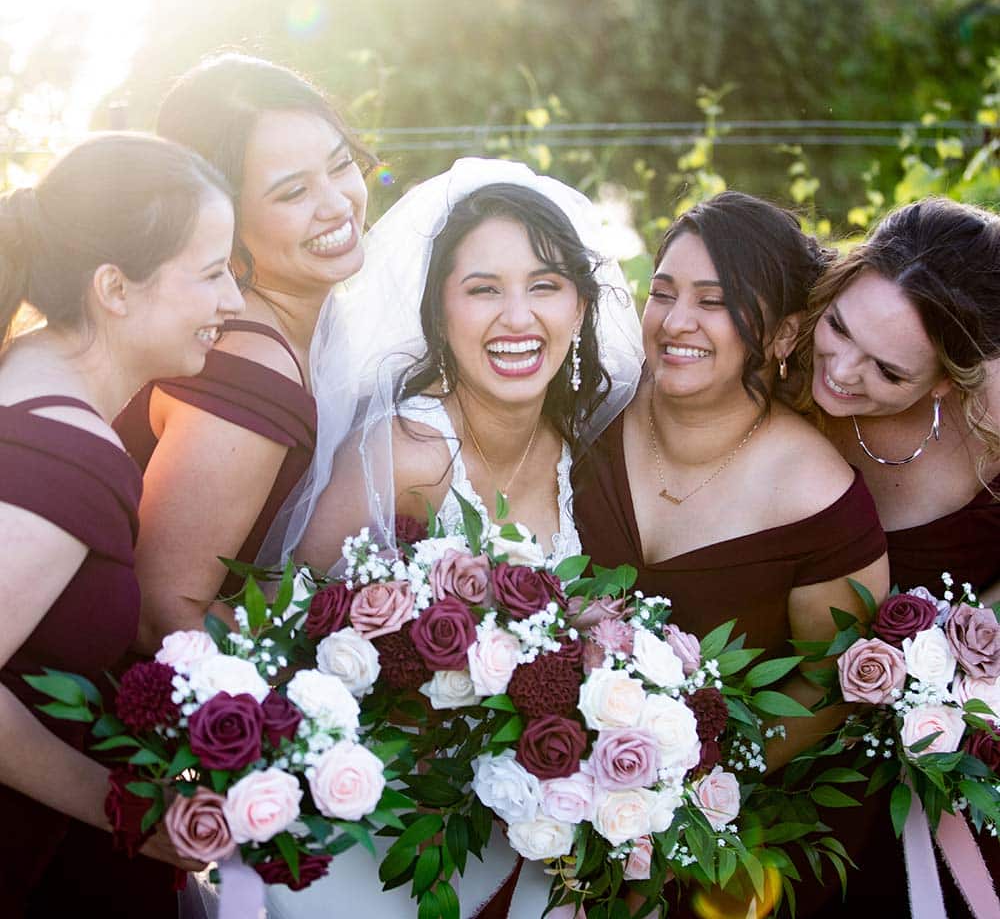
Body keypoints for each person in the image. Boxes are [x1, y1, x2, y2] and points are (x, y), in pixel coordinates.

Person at [267, 157, 644, 919]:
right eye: (483, 290)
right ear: (438, 312)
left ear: (579, 307)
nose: (517, 317)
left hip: (537, 831)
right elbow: (282, 624)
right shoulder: (404, 452)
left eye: (545, 285)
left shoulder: (593, 459)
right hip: (384, 835)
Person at [571, 191, 891, 915]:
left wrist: (680, 789)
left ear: (781, 335)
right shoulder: (591, 411)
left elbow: (828, 690)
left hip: (710, 850)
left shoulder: (821, 505)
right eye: (663, 292)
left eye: (714, 302)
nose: (676, 321)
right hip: (543, 798)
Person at [0, 133, 243, 916]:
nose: (231, 303)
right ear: (114, 286)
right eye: (211, 275)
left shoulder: (25, 379)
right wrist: (125, 808)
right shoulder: (67, 454)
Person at [114, 54, 373, 652]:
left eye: (341, 165)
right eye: (292, 193)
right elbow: (161, 613)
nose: (336, 204)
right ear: (222, 221)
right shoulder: (249, 372)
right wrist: (337, 664)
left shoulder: (317, 322)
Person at [796, 196, 1000, 917]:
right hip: (783, 747)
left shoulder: (991, 428)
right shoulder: (781, 368)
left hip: (939, 780)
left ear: (947, 380)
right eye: (839, 327)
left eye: (887, 371)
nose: (843, 371)